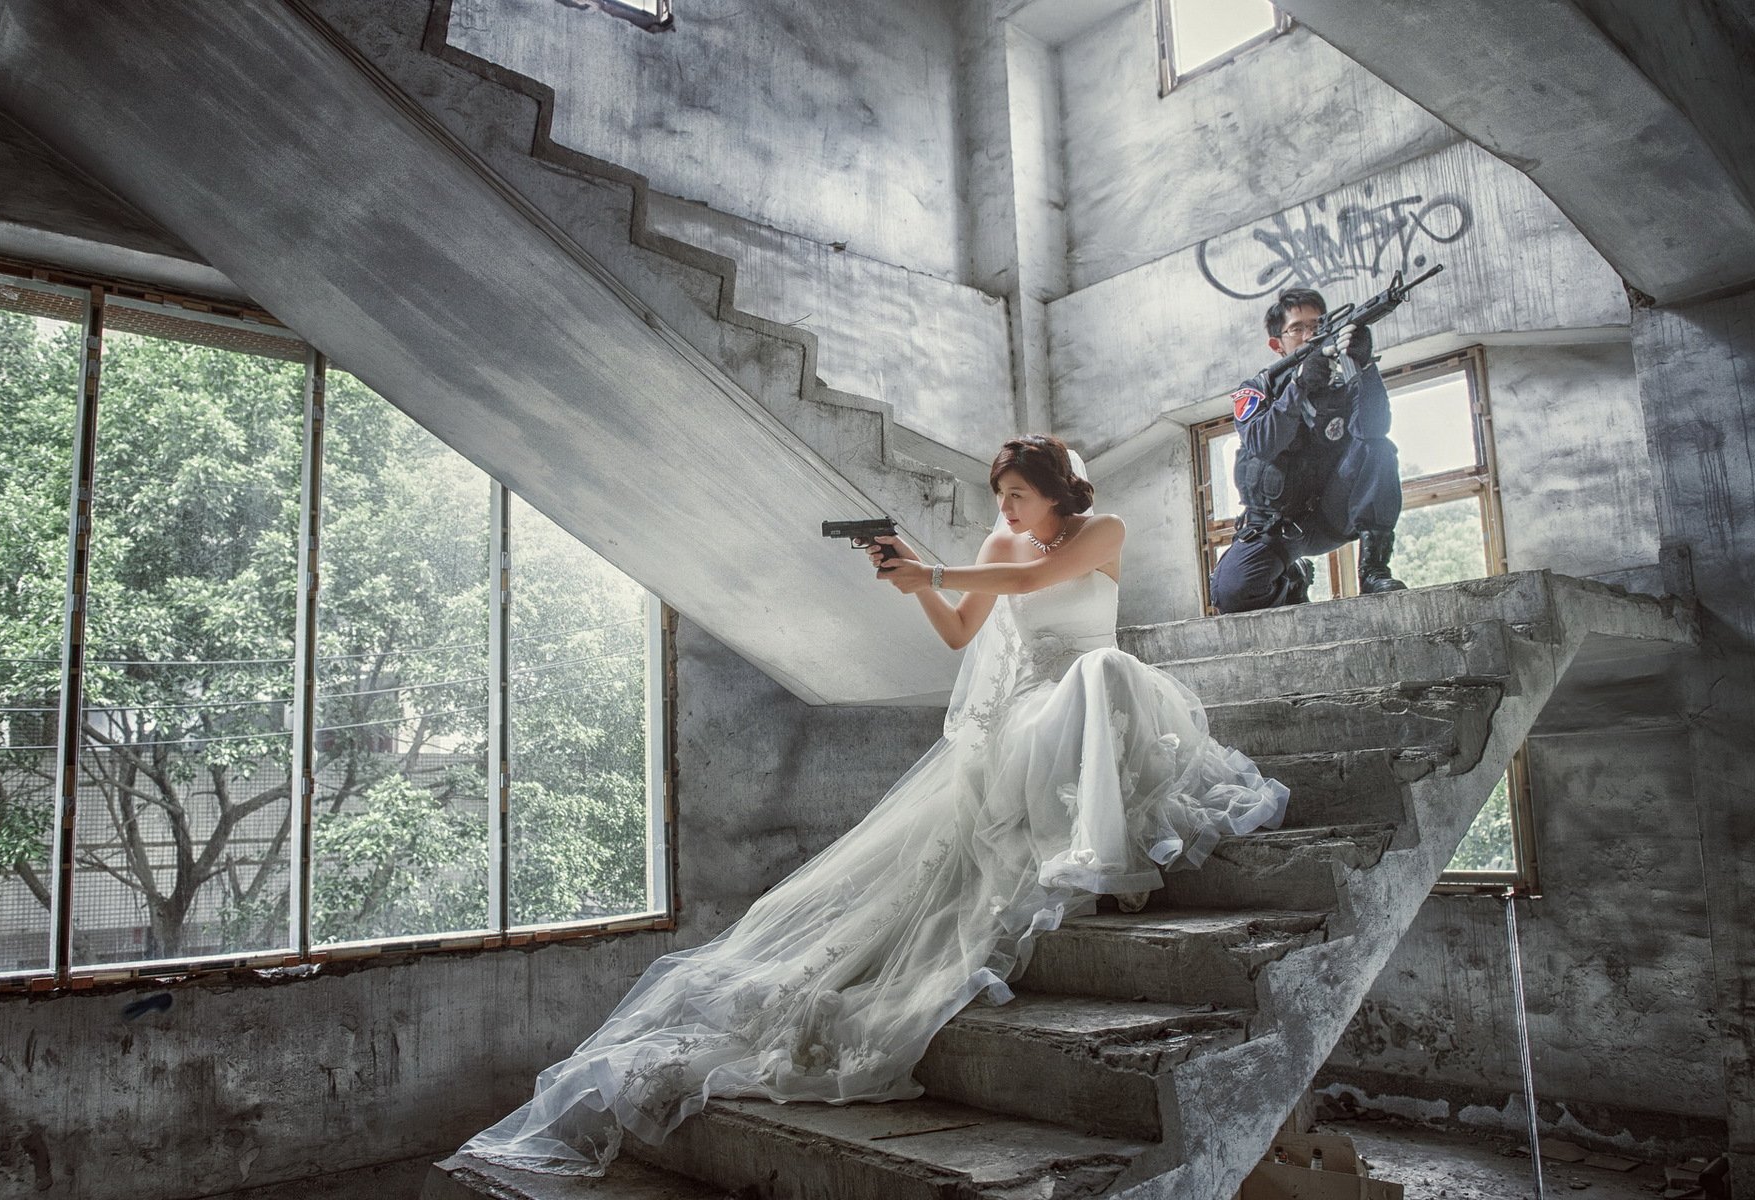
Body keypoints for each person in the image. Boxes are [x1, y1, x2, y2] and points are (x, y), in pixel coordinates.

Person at [459, 434, 1288, 1176]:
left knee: (1102, 671)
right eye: (999, 497)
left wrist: (929, 568)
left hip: (1095, 702)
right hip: (1029, 721)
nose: (1003, 510)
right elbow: (963, 632)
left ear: (1056, 494)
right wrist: (909, 580)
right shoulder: (1000, 540)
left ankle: (1102, 846)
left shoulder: (1100, 533)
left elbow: (1035, 579)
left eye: (1017, 496)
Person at [1209, 287, 1407, 612]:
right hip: (1277, 525)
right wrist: (1299, 386)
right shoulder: (1257, 389)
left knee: (1380, 449)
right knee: (1231, 594)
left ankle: (1373, 571)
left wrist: (1366, 367)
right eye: (1297, 328)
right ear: (1277, 344)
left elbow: (1375, 429)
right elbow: (1262, 441)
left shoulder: (1344, 381)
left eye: (1317, 325)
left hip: (1331, 515)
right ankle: (1292, 581)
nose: (1309, 335)